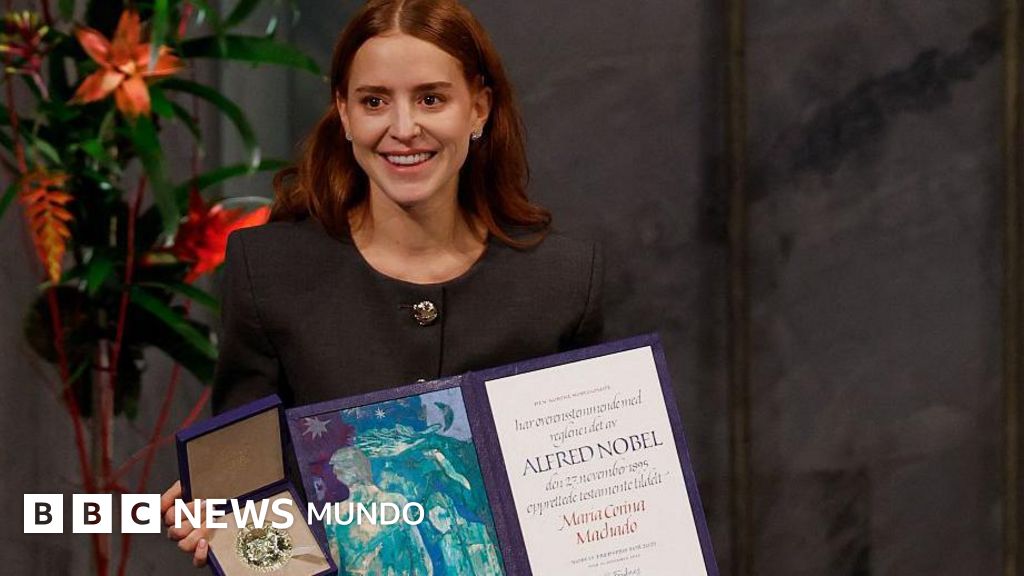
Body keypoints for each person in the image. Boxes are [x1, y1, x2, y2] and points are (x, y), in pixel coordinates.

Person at [160, 0, 603, 569]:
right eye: (373, 101)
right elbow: (246, 501)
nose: (402, 128)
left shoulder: (563, 280)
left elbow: (586, 501)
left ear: (479, 108)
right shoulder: (268, 271)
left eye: (431, 98)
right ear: (343, 113)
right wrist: (227, 527)